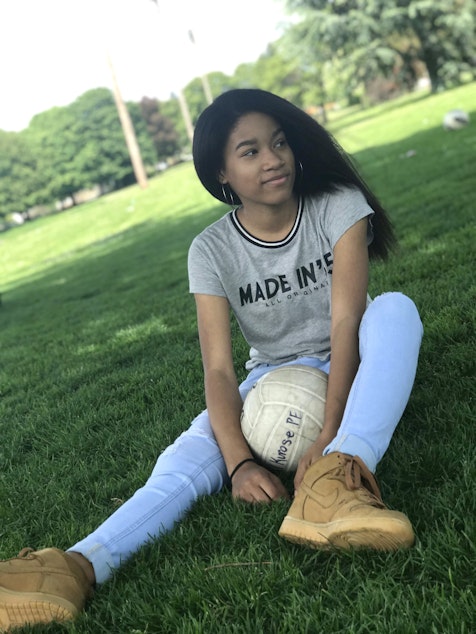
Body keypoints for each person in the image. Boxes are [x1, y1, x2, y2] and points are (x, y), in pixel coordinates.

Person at [0, 89, 423, 631]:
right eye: (249, 152)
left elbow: (345, 324)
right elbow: (220, 370)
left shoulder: (338, 205)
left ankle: (338, 483)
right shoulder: (211, 249)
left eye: (278, 143)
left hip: (353, 356)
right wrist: (239, 463)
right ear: (221, 172)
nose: (273, 159)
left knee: (394, 310)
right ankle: (75, 567)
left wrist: (329, 433)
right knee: (187, 456)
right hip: (269, 377)